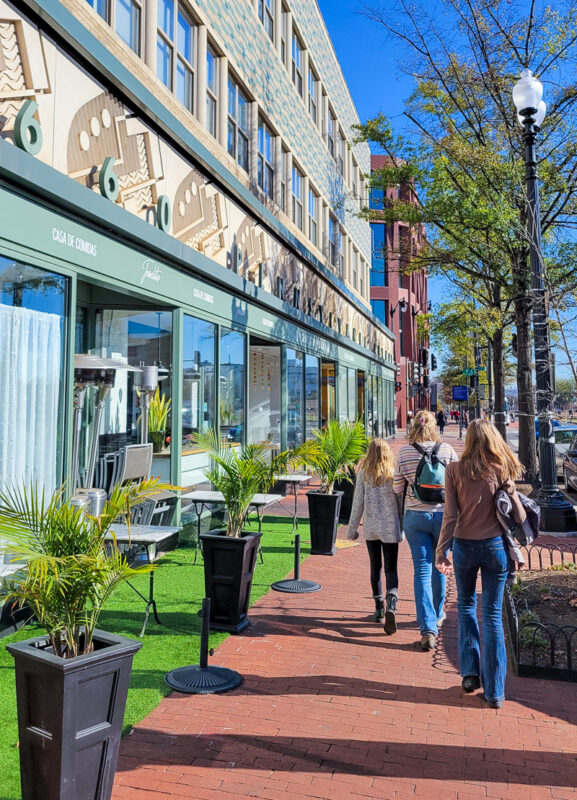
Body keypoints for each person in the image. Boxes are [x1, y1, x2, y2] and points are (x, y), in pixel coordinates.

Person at [435, 419, 526, 709]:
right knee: (492, 616)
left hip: (463, 546)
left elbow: (450, 516)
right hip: (495, 548)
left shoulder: (453, 471)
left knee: (465, 607)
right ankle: (496, 691)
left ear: (469, 440)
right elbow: (521, 518)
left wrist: (441, 551)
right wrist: (510, 490)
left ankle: (470, 674)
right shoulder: (500, 470)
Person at [393, 410, 459, 651]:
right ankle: (438, 613)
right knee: (441, 564)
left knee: (421, 569)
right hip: (443, 516)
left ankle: (427, 627)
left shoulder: (405, 452)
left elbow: (398, 488)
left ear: (414, 426)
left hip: (415, 516)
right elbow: (456, 485)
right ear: (434, 426)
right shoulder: (447, 450)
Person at [347, 438, 403, 635]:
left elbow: (357, 504)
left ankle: (379, 608)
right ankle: (392, 604)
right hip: (390, 528)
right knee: (391, 568)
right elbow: (401, 503)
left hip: (371, 528)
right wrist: (402, 527)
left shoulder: (364, 474)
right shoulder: (393, 474)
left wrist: (352, 530)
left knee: (375, 567)